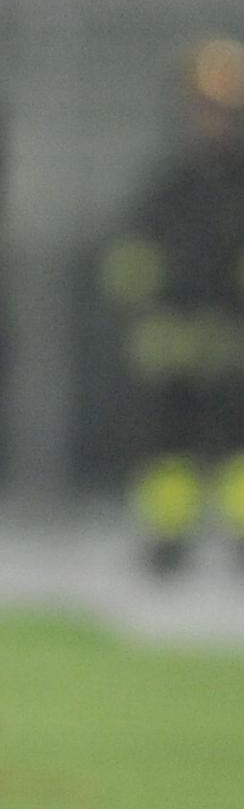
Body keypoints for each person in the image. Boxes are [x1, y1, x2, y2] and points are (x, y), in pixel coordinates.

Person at [103, 38, 244, 572]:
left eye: (222, 112)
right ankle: (168, 540)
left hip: (233, 340)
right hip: (170, 344)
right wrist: (150, 306)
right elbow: (130, 260)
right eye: (202, 110)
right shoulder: (166, 186)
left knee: (237, 444)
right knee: (167, 447)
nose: (211, 123)